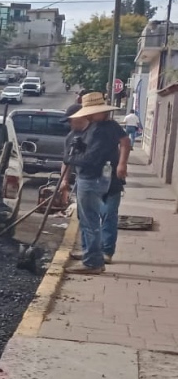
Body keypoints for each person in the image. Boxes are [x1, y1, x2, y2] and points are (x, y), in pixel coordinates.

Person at [61, 92, 128, 274]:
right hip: (91, 178)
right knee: (87, 220)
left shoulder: (102, 130)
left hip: (93, 178)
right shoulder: (94, 128)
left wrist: (71, 157)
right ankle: (91, 254)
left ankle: (93, 262)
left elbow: (91, 159)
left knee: (92, 220)